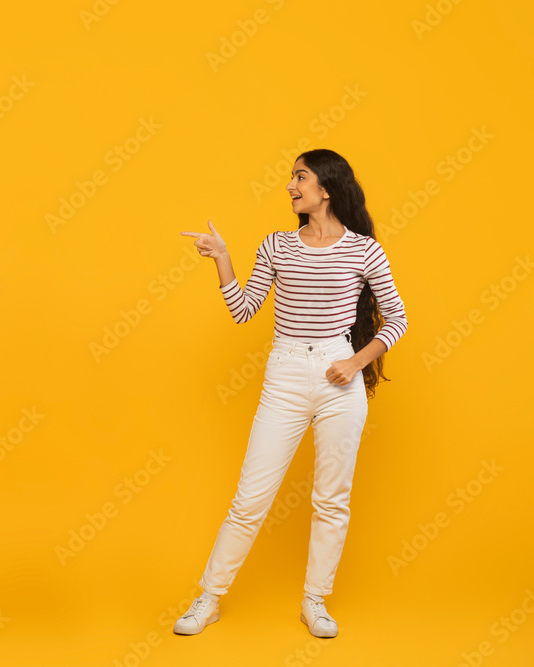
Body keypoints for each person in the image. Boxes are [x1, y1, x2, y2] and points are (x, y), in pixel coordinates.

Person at [175, 149, 407, 638]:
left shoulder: (363, 250)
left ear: (326, 188)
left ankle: (314, 601)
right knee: (250, 498)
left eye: (300, 177)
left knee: (332, 499)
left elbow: (397, 319)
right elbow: (243, 310)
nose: (290, 186)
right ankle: (209, 598)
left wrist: (355, 362)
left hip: (338, 375)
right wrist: (223, 260)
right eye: (292, 177)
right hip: (284, 374)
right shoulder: (277, 245)